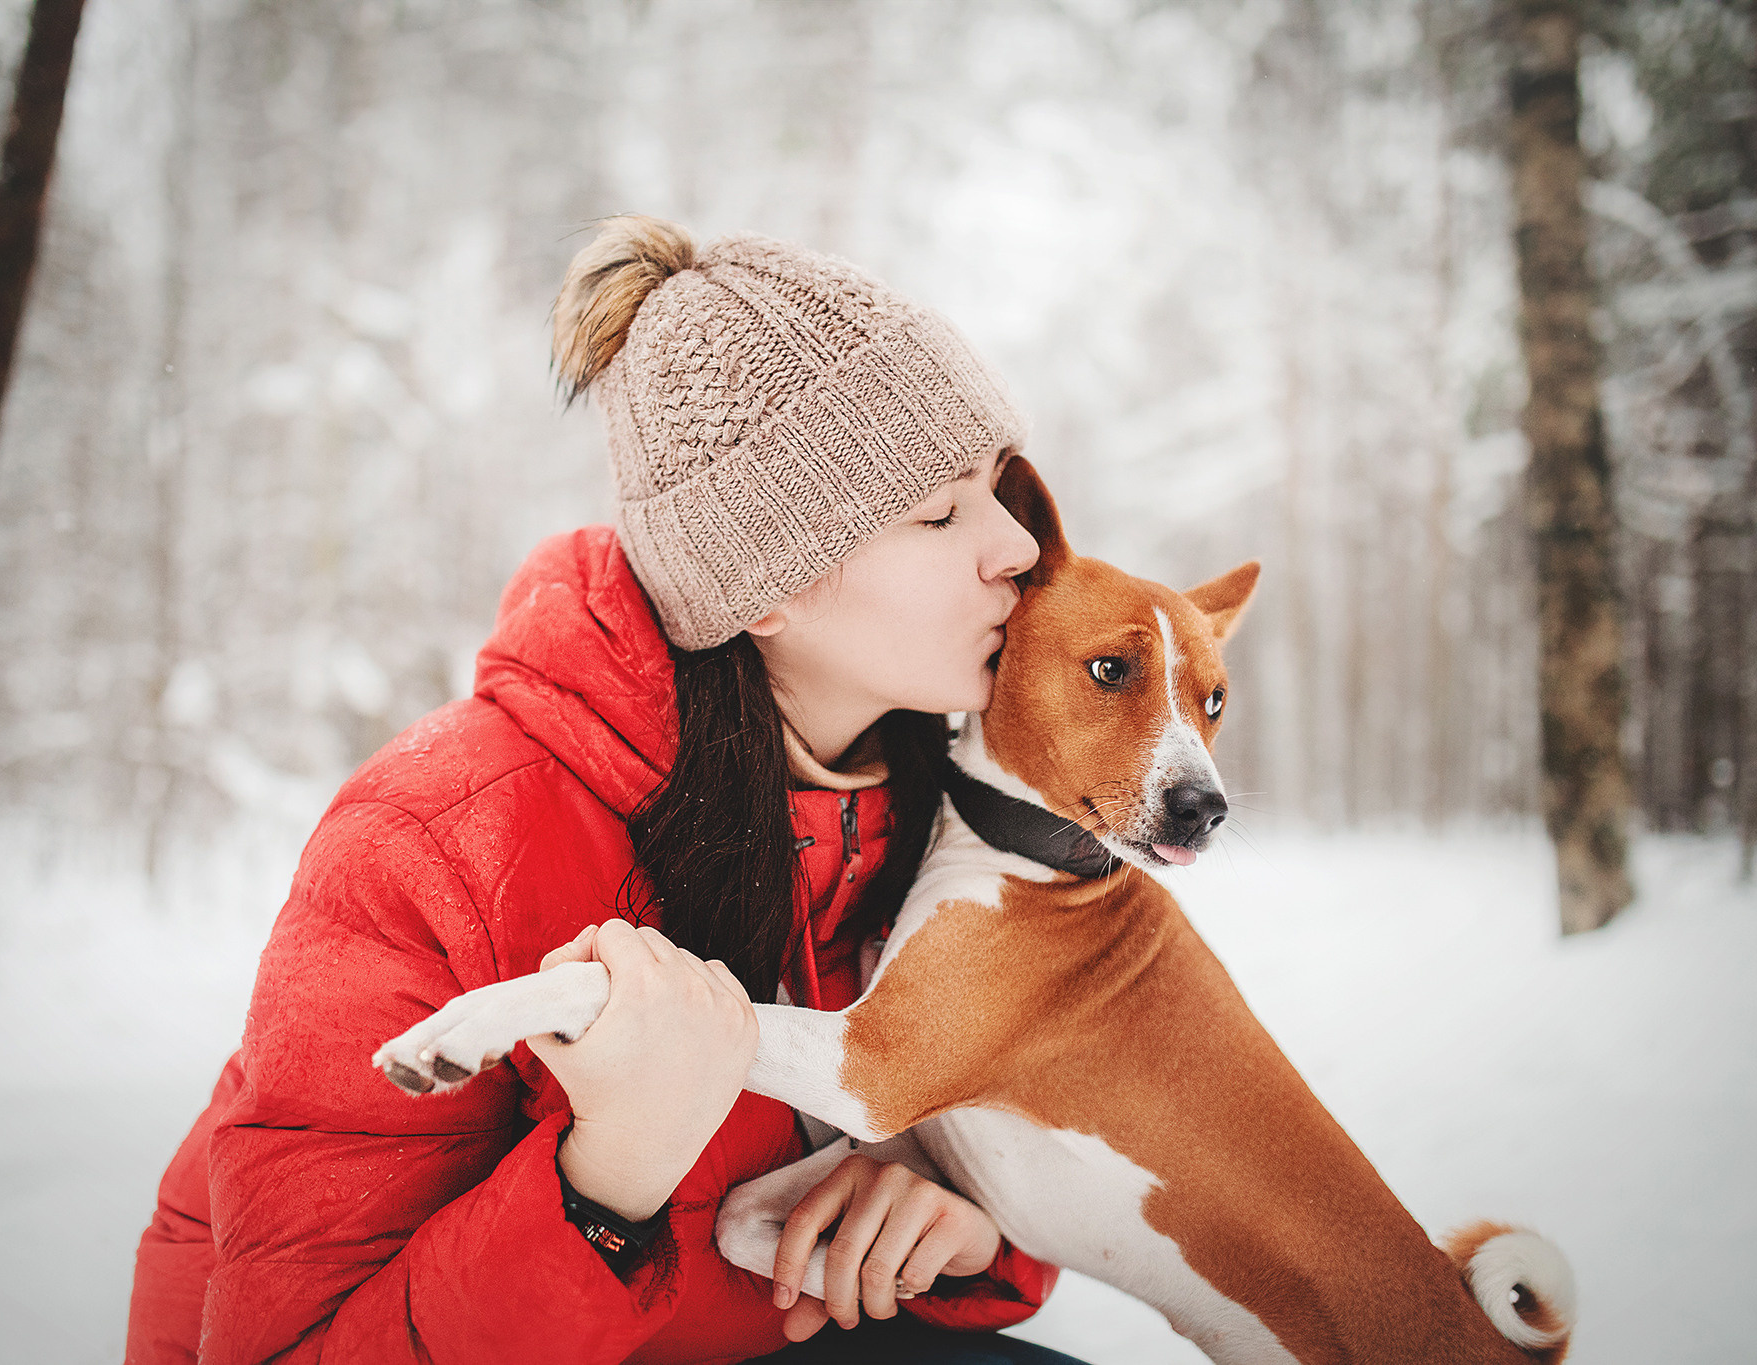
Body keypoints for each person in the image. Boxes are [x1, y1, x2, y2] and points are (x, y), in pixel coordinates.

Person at [125, 216, 1086, 1365]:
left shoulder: (948, 813)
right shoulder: (439, 838)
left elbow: (1048, 1144)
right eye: (937, 515)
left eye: (995, 488)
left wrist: (964, 1221)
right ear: (759, 590)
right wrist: (608, 1176)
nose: (1017, 549)